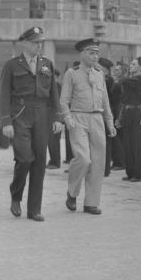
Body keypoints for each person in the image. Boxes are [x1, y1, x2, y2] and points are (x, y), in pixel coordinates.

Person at [0, 27, 62, 222]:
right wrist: (6, 121)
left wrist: (57, 118)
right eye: (35, 42)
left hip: (42, 114)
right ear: (24, 43)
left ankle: (34, 209)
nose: (39, 45)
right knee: (25, 158)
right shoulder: (12, 65)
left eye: (40, 42)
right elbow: (4, 95)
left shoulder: (47, 64)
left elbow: (54, 95)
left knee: (40, 162)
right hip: (21, 114)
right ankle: (16, 194)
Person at [60, 38, 116, 215]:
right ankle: (72, 192)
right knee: (83, 159)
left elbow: (105, 101)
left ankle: (91, 202)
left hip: (97, 119)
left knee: (98, 163)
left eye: (97, 53)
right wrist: (67, 118)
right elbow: (64, 101)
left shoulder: (100, 74)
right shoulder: (72, 73)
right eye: (91, 53)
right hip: (78, 119)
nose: (95, 56)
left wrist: (109, 122)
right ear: (82, 54)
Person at [117, 57, 141, 182]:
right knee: (128, 144)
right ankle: (130, 172)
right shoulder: (130, 80)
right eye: (131, 64)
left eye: (134, 64)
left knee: (136, 144)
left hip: (137, 111)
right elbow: (124, 100)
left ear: (140, 67)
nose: (131, 66)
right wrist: (120, 117)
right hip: (127, 111)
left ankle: (137, 174)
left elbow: (123, 81)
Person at [98, 57, 115, 177]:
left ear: (104, 69)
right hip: (100, 112)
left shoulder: (107, 80)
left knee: (105, 142)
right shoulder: (104, 78)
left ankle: (105, 169)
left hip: (105, 113)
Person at [46, 69, 63, 169]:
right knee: (51, 140)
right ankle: (53, 160)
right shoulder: (53, 85)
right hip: (50, 115)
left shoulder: (56, 86)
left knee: (53, 140)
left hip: (54, 115)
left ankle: (55, 162)